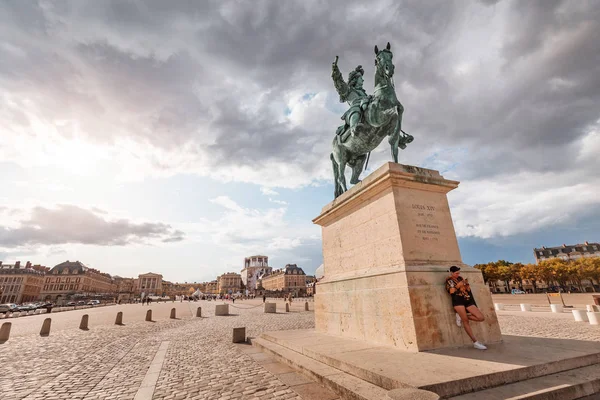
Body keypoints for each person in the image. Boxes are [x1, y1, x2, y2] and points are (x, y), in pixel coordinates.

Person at [445, 266, 487, 350]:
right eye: (456, 273)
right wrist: (458, 286)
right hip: (458, 301)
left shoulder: (461, 278)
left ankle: (461, 316)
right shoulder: (449, 280)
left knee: (481, 317)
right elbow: (451, 292)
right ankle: (475, 342)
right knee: (466, 322)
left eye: (458, 273)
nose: (458, 274)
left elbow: (467, 289)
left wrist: (467, 286)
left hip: (467, 299)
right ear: (452, 273)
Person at [332, 59, 370, 141]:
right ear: (355, 80)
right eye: (360, 78)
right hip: (353, 111)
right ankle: (354, 130)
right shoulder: (348, 90)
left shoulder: (364, 93)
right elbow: (340, 82)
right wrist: (336, 71)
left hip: (365, 108)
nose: (363, 80)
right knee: (356, 110)